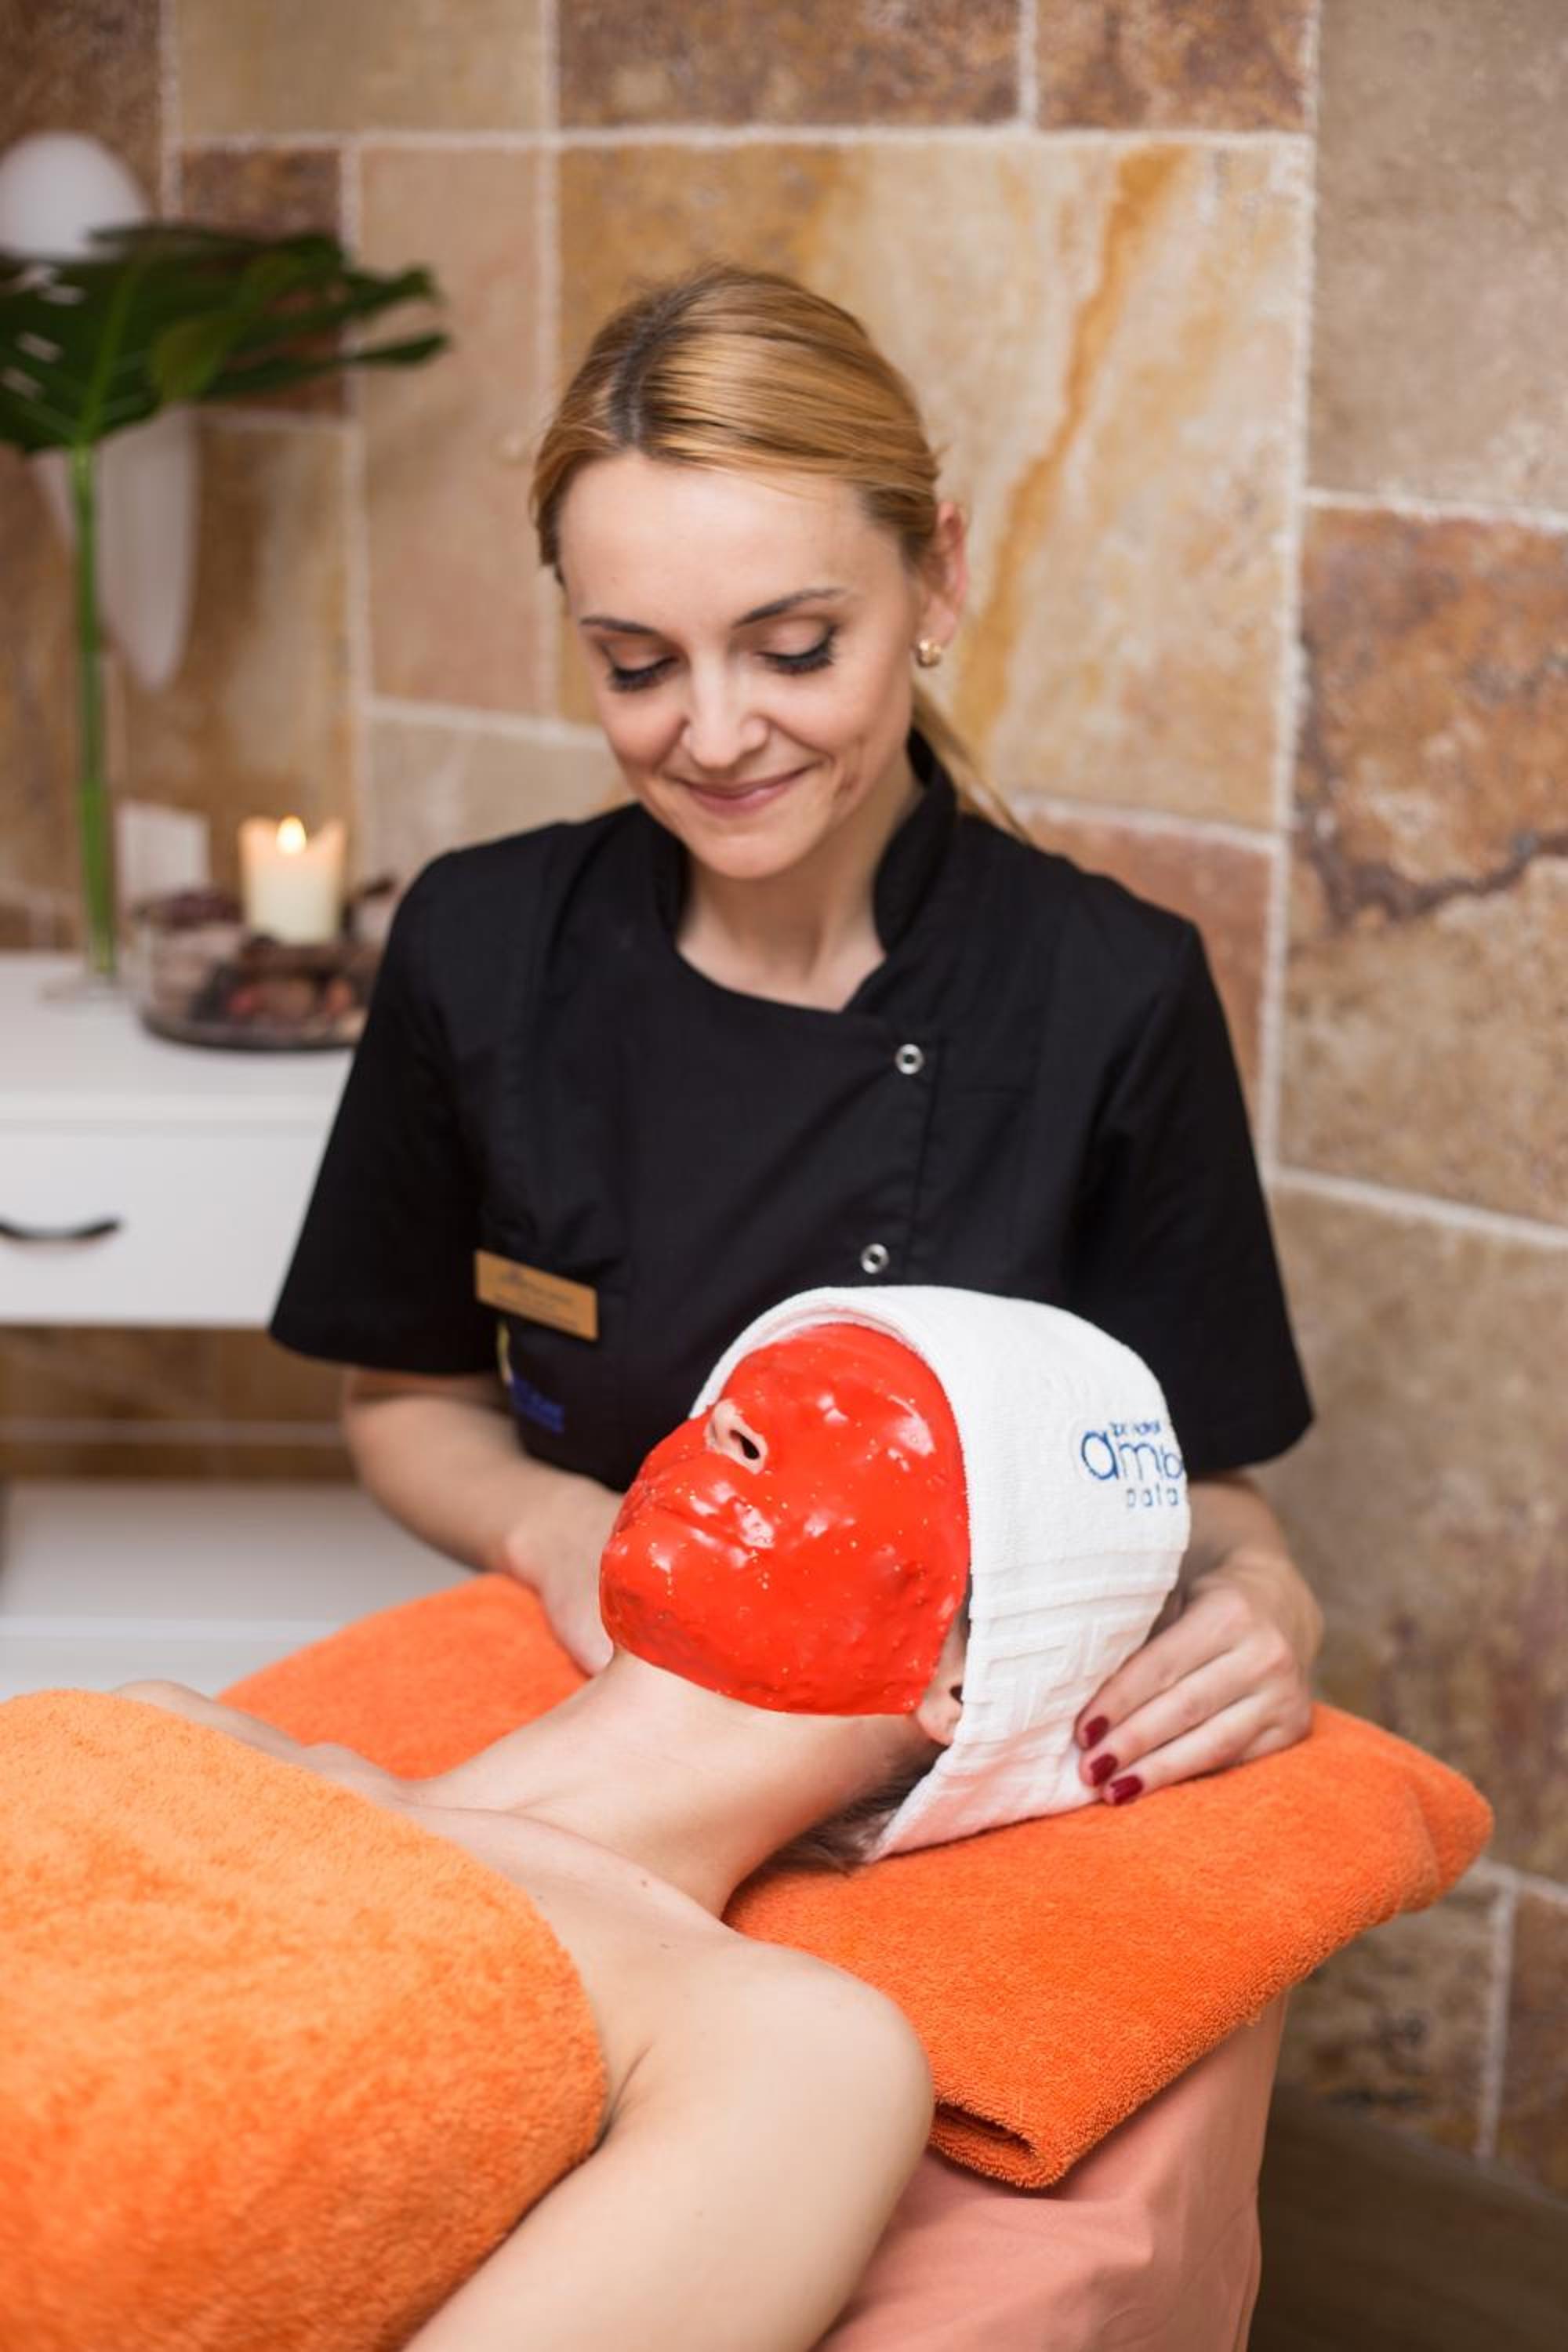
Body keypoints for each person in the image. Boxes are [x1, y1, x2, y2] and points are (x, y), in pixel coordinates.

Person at [269, 260, 1319, 2338]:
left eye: (794, 645)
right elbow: (402, 1400)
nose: (715, 732)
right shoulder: (481, 947)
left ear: (936, 578)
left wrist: (1272, 1600)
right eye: (634, 663)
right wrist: (559, 1534)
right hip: (587, 1708)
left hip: (953, 1831)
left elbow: (1202, 1483)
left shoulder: (1103, 993)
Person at [110, 1292, 1189, 2352]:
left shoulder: (788, 2048)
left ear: (968, 1677)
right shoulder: (166, 1733)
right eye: (738, 1396)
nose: (728, 1423)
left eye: (854, 1418)